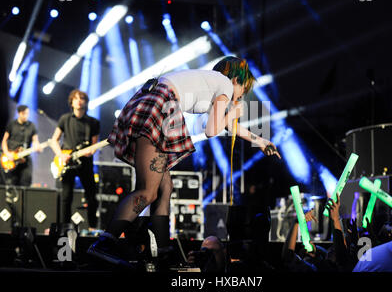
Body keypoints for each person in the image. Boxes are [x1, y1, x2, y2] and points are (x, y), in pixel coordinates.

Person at [88, 56, 281, 264]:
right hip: (160, 106)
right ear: (236, 80)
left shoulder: (211, 82)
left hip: (149, 102)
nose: (242, 95)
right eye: (244, 88)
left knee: (165, 188)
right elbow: (211, 130)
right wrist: (233, 112)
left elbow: (224, 124)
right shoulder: (224, 84)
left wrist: (259, 140)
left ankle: (161, 250)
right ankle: (105, 242)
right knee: (148, 190)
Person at [50, 89, 100, 232]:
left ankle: (92, 227)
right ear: (71, 102)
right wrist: (60, 155)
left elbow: (95, 144)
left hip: (85, 163)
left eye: (82, 98)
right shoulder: (65, 119)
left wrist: (92, 151)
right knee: (66, 196)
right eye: (76, 98)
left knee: (91, 195)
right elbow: (54, 140)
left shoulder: (93, 122)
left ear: (86, 102)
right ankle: (64, 228)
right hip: (67, 162)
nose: (79, 101)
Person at [1, 105, 41, 186]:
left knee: (26, 182)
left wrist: (38, 147)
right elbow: (4, 141)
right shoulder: (12, 124)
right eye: (24, 113)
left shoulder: (31, 126)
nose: (26, 115)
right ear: (19, 113)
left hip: (25, 159)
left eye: (27, 113)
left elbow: (35, 141)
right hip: (11, 159)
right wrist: (7, 154)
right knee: (12, 183)